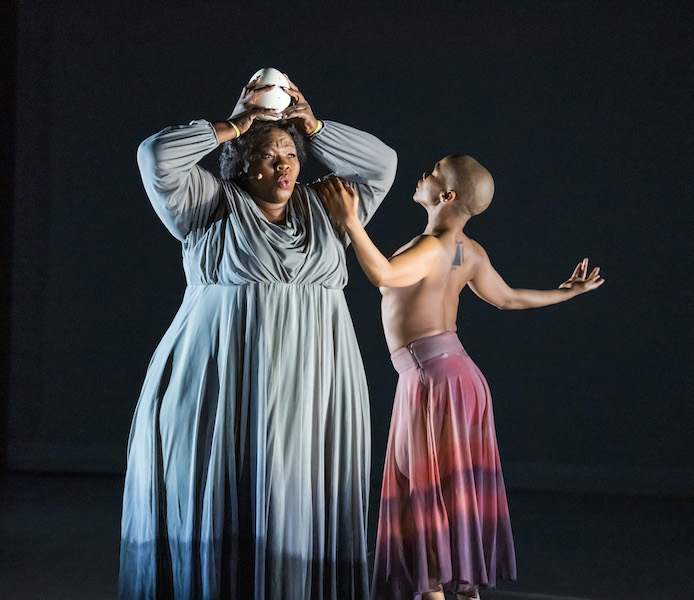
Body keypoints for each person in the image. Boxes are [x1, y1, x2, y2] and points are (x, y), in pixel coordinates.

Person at [119, 74, 397, 600]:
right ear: (242, 163)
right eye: (269, 156)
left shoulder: (329, 206)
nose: (284, 165)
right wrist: (233, 125)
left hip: (313, 381)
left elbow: (382, 164)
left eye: (290, 154)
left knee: (298, 498)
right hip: (225, 370)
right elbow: (155, 155)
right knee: (231, 489)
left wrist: (311, 125)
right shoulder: (207, 203)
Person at [315, 156, 604, 600]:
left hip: (433, 380)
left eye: (432, 173)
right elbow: (508, 299)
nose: (423, 175)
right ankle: (458, 586)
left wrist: (351, 221)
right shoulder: (466, 251)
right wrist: (565, 293)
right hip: (455, 376)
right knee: (449, 490)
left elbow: (384, 274)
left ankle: (436, 586)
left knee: (426, 491)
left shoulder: (434, 247)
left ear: (447, 195)